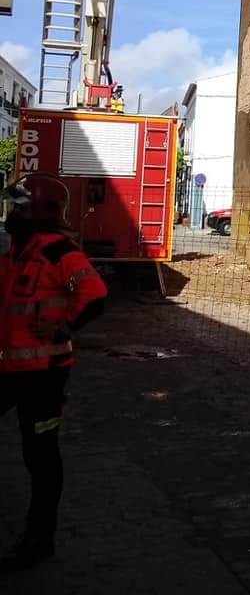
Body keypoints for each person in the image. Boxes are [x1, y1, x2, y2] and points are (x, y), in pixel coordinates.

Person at [0, 175, 108, 572]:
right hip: (10, 368)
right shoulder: (17, 252)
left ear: (42, 210)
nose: (14, 213)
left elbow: (94, 294)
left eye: (21, 207)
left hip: (44, 374)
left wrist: (64, 326)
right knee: (36, 455)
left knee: (41, 458)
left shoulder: (59, 250)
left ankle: (39, 538)